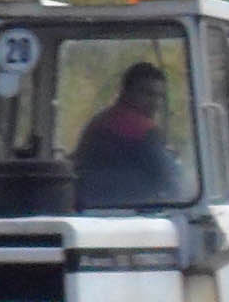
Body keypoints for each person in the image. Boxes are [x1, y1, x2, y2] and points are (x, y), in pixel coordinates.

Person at [70, 61, 189, 206]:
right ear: (125, 92)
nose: (156, 103)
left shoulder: (102, 120)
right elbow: (173, 182)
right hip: (122, 209)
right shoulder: (141, 129)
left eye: (160, 96)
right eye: (147, 94)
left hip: (91, 204)